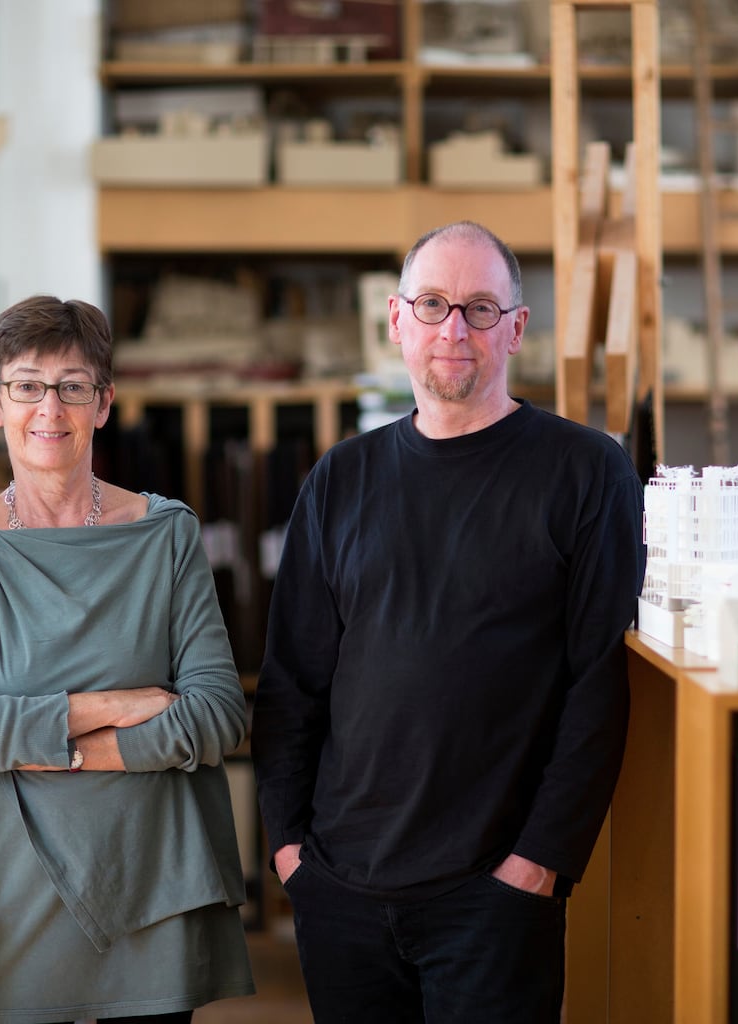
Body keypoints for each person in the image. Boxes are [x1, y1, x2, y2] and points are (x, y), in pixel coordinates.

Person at [251, 221, 646, 1023]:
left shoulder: (584, 470)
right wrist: (291, 853)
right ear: (397, 321)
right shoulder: (341, 477)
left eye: (478, 308)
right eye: (432, 305)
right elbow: (291, 683)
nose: (453, 330)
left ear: (517, 329)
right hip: (340, 890)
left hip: (492, 897)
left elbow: (598, 686)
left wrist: (537, 865)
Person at [0, 295, 254, 1024]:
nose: (49, 408)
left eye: (73, 386)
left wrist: (28, 740)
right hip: (14, 890)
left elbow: (218, 715)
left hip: (153, 877)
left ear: (103, 404)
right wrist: (120, 705)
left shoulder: (165, 535)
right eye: (27, 385)